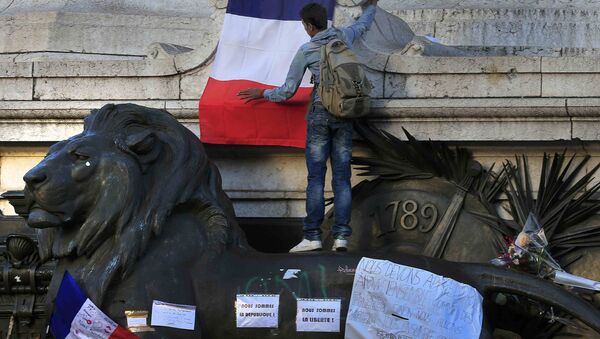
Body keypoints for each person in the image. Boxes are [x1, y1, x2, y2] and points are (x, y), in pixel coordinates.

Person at [237, 1, 378, 252]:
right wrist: (373, 5)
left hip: (320, 116)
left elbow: (287, 91)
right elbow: (363, 25)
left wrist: (262, 93)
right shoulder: (344, 37)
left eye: (304, 25)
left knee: (316, 178)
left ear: (309, 26)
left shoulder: (307, 49)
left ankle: (312, 236)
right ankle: (341, 237)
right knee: (342, 178)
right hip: (346, 115)